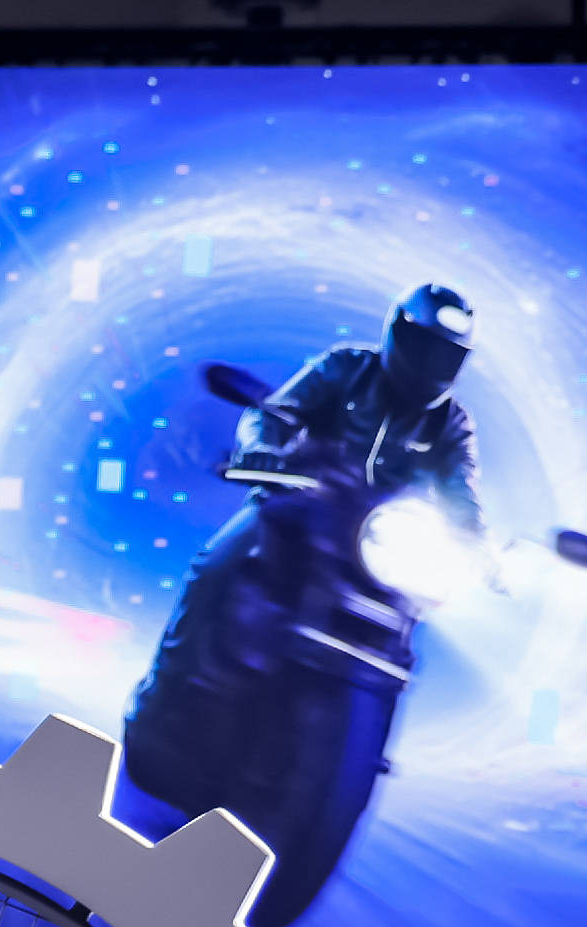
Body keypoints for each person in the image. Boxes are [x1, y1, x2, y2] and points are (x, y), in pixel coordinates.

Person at [120, 282, 484, 839]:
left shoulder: (451, 422)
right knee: (214, 568)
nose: (432, 364)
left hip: (384, 544)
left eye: (446, 355)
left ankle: (355, 752)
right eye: (425, 347)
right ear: (398, 334)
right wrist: (264, 448)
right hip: (303, 505)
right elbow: (278, 413)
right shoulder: (346, 368)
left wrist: (478, 545)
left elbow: (462, 492)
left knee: (409, 625)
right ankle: (159, 703)